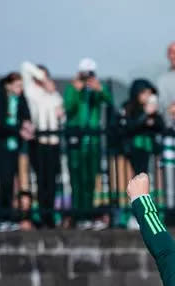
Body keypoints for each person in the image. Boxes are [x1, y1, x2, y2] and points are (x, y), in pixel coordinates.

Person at [64, 58, 113, 228]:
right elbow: (68, 108)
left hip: (92, 141)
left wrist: (99, 89)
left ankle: (88, 214)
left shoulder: (96, 90)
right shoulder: (72, 89)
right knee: (76, 179)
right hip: (76, 141)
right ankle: (78, 215)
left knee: (90, 180)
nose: (87, 77)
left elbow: (110, 101)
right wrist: (77, 91)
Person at [22, 62, 64, 229]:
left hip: (53, 141)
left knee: (52, 181)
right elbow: (25, 66)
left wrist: (52, 92)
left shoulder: (53, 94)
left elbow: (61, 115)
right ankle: (41, 213)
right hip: (38, 141)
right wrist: (41, 76)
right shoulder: (32, 91)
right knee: (41, 180)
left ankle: (50, 214)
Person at [0, 72, 34, 231]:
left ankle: (10, 216)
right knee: (5, 181)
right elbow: (0, 124)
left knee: (14, 182)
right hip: (2, 146)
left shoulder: (21, 99)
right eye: (17, 86)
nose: (20, 89)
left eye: (21, 86)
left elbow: (26, 117)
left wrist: (27, 125)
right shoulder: (0, 99)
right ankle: (2, 216)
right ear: (8, 85)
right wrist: (18, 130)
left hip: (15, 146)